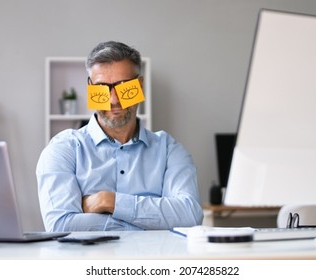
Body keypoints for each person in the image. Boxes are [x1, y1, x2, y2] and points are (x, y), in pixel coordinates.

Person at [36, 41, 203, 231]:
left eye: (123, 86)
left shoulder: (168, 149)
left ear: (139, 85)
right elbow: (60, 225)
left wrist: (109, 201)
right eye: (102, 88)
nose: (114, 100)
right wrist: (152, 221)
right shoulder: (63, 149)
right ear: (90, 87)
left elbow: (190, 215)